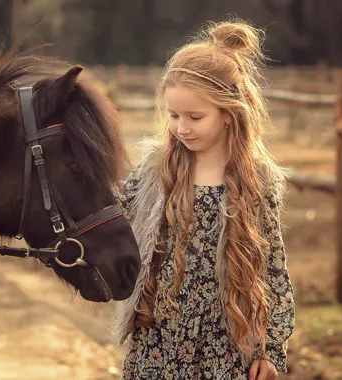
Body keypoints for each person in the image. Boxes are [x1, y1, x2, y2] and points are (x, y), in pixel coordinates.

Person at [112, 19, 295, 380]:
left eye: (195, 117)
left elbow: (273, 265)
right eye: (174, 116)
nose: (181, 128)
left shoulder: (256, 180)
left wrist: (271, 349)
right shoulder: (156, 171)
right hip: (158, 341)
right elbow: (110, 211)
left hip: (227, 347)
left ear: (229, 114)